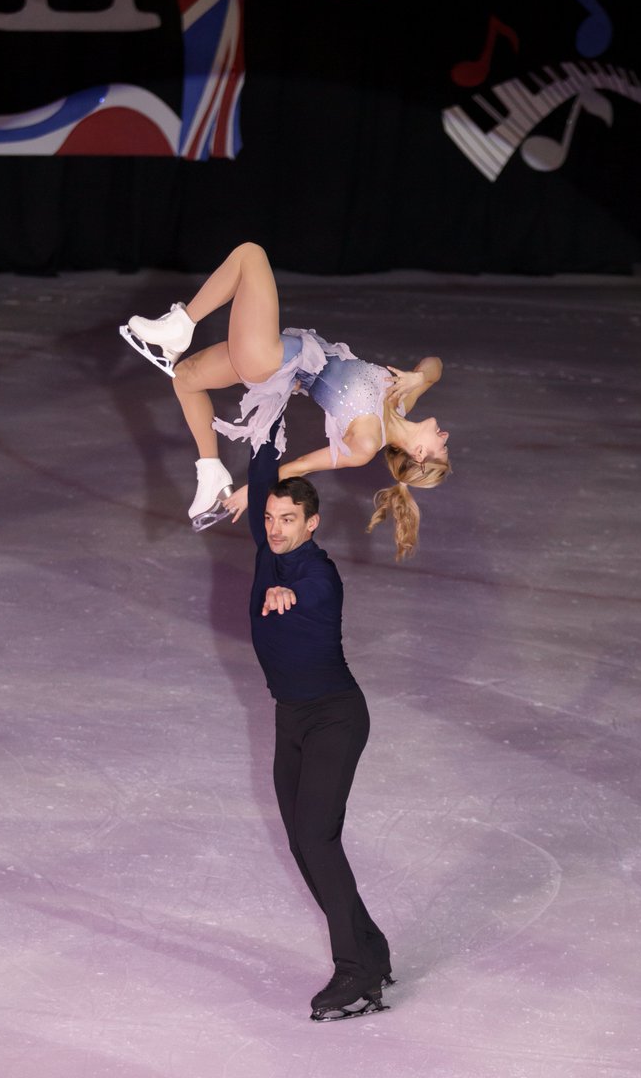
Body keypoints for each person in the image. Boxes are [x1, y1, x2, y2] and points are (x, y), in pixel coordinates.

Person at [119, 242, 451, 556]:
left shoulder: (366, 444)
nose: (445, 437)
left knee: (250, 255)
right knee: (186, 379)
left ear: (419, 454)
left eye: (442, 447)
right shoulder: (404, 397)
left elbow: (299, 467)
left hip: (270, 360)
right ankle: (210, 472)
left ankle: (181, 325)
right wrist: (419, 376)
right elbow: (434, 366)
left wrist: (251, 491)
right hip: (279, 356)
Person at [246, 415, 393, 1020]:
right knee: (306, 845)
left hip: (335, 718)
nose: (277, 530)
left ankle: (355, 975)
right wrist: (270, 409)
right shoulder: (265, 549)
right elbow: (261, 468)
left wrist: (288, 596)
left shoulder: (318, 573)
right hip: (291, 720)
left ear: (312, 524)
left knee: (316, 838)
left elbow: (312, 592)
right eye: (271, 519)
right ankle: (373, 947)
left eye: (290, 521)